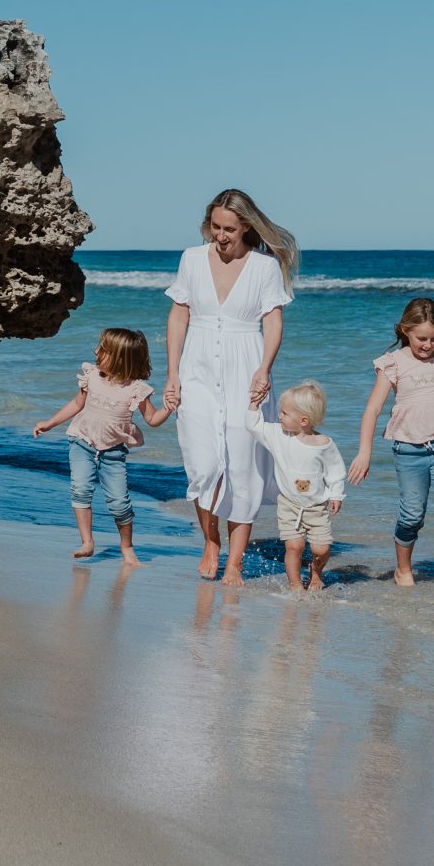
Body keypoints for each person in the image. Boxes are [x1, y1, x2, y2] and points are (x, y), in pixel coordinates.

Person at [163, 189, 298, 585]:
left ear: (246, 228)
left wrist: (264, 370)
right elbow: (178, 317)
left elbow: (272, 322)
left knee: (244, 467)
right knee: (203, 464)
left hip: (246, 367)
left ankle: (235, 563)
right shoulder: (191, 259)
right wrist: (172, 373)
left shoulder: (264, 268)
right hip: (197, 368)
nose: (220, 236)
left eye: (229, 230)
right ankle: (211, 542)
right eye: (215, 227)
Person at [349, 298, 434, 599]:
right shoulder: (393, 363)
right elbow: (372, 410)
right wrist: (364, 452)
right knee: (413, 515)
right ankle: (403, 568)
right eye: (421, 338)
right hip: (409, 450)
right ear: (405, 331)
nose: (428, 345)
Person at [32, 327, 170, 563]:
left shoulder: (136, 389)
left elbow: (153, 420)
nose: (96, 352)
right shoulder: (92, 376)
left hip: (113, 452)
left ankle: (126, 546)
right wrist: (50, 422)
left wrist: (170, 407)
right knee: (81, 489)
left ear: (120, 358)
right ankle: (87, 542)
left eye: (103, 350)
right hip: (81, 441)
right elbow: (77, 404)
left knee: (119, 502)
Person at [243, 381, 344, 591]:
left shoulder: (324, 444)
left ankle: (316, 573)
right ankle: (295, 585)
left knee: (321, 548)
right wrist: (254, 405)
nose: (279, 416)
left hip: (317, 507)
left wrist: (336, 495)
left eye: (285, 413)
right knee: (294, 546)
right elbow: (254, 427)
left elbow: (335, 471)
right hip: (289, 505)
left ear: (304, 420)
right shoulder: (279, 436)